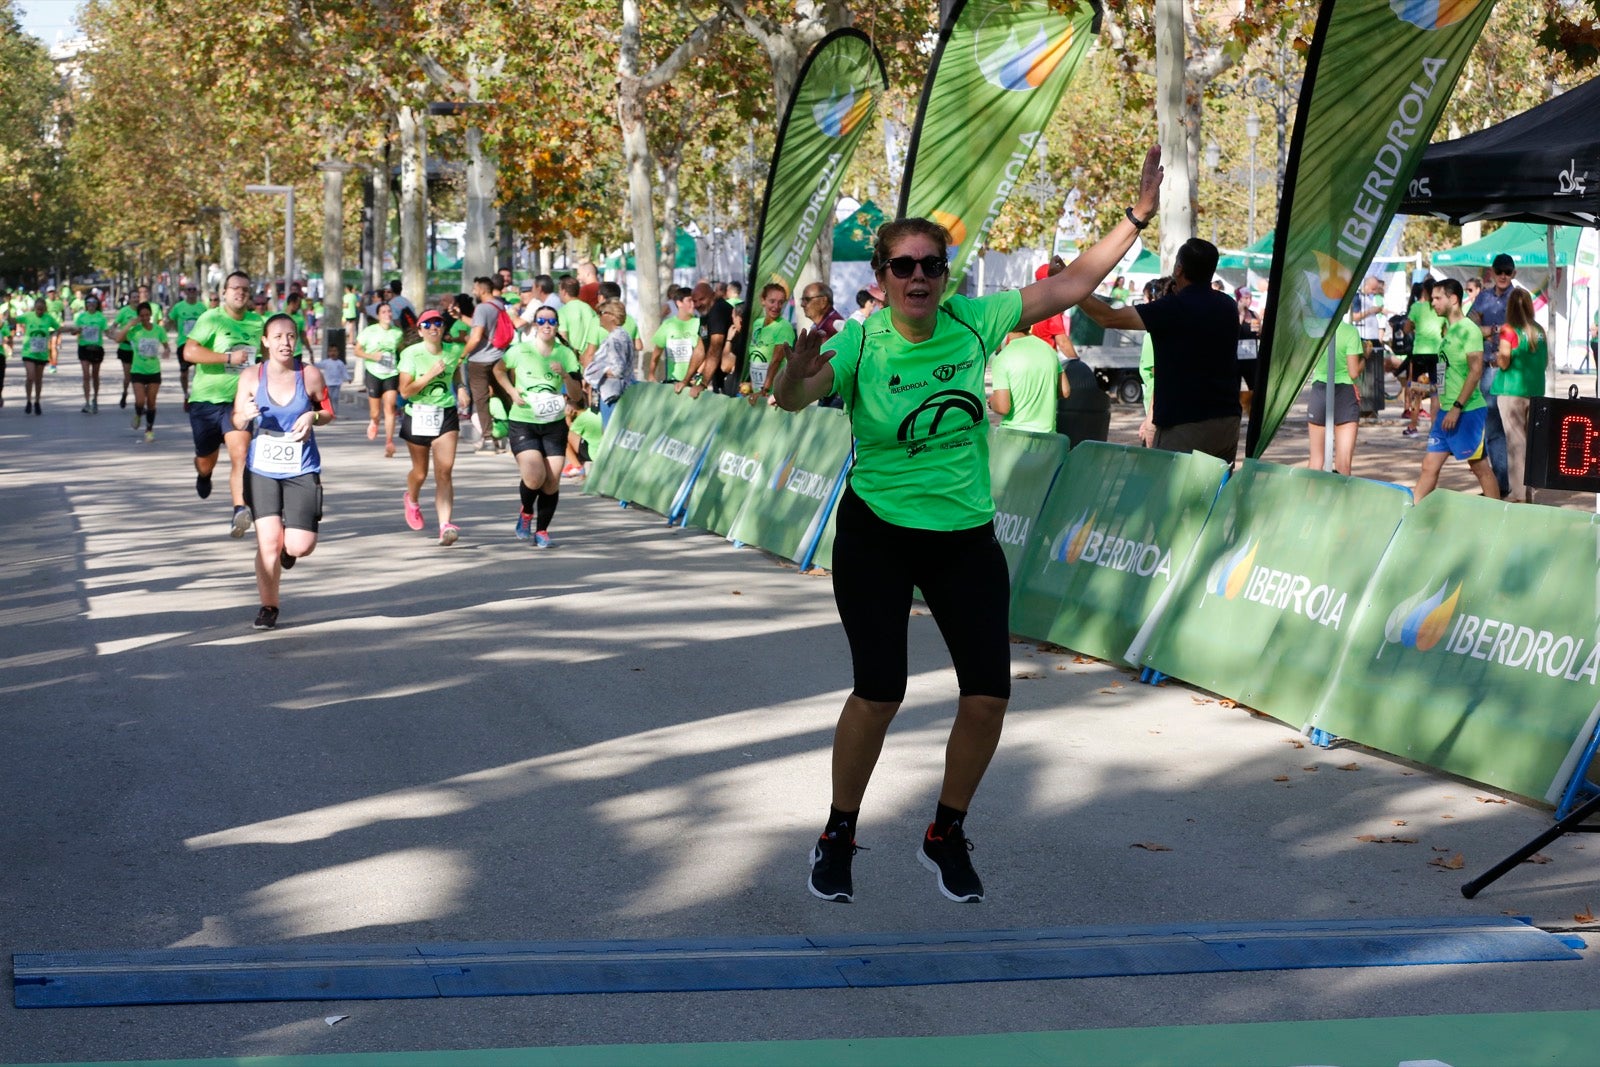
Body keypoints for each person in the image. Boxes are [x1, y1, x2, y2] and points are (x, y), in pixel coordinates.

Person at [775, 146, 1163, 905]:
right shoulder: (859, 342)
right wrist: (794, 367)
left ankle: (945, 831)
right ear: (880, 279)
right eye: (903, 266)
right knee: (879, 691)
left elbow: (1076, 282)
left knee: (988, 695)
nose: (919, 277)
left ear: (946, 276)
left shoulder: (971, 320)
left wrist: (1137, 216)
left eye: (932, 265)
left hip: (965, 537)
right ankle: (839, 830)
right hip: (877, 532)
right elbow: (793, 398)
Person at [1078, 239, 1242, 464]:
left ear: (1178, 269)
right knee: (1214, 496)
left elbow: (1108, 317)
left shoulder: (1172, 308)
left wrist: (1073, 289)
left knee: (1173, 497)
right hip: (1227, 420)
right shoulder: (1228, 306)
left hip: (1185, 423)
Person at [231, 314, 334, 631]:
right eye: (277, 337)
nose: (284, 343)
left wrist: (313, 418)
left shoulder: (310, 375)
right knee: (269, 543)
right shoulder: (251, 376)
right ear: (265, 341)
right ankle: (268, 606)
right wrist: (244, 415)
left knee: (300, 545)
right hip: (262, 468)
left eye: (290, 336)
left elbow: (328, 411)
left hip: (301, 467)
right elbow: (236, 419)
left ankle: (289, 552)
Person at [184, 270, 267, 537]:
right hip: (206, 401)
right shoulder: (211, 318)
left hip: (239, 403)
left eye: (245, 289)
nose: (240, 293)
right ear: (224, 293)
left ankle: (240, 510)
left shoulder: (257, 323)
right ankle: (204, 475)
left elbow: (266, 359)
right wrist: (228, 358)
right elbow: (189, 352)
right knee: (206, 459)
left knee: (240, 456)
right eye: (235, 288)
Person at [495, 307, 582, 547]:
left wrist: (564, 375)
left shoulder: (565, 354)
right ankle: (525, 513)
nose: (547, 325)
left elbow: (577, 395)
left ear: (556, 325)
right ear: (535, 325)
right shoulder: (521, 350)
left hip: (553, 424)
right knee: (534, 477)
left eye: (551, 321)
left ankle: (542, 530)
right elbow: (498, 370)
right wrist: (512, 391)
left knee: (551, 481)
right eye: (542, 321)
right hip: (524, 421)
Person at [1415, 279, 1499, 503]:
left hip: (1467, 411)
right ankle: (1411, 515)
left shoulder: (1468, 330)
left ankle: (1498, 519)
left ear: (1453, 300)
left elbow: (1475, 370)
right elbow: (1447, 369)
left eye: (1437, 298)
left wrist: (1457, 407)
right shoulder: (1449, 331)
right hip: (1446, 411)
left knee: (1479, 467)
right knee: (1428, 466)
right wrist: (1435, 390)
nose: (1433, 303)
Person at [398, 308, 468, 545]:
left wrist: (460, 388)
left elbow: (455, 372)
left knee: (444, 471)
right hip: (417, 415)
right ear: (419, 330)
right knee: (420, 472)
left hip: (445, 413)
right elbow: (405, 391)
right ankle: (412, 499)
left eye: (437, 323)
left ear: (443, 328)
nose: (433, 327)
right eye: (427, 325)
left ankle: (445, 525)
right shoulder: (411, 354)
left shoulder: (454, 351)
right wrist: (429, 375)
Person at [1468, 253, 1516, 498]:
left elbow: (1521, 329)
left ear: (1514, 273)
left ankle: (1510, 487)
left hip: (1511, 369)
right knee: (1492, 428)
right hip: (1486, 368)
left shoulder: (1518, 298)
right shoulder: (1484, 297)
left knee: (1513, 431)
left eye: (1508, 271)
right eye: (1500, 271)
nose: (1503, 276)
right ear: (1493, 272)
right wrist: (1487, 330)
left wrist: (1492, 329)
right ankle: (1500, 486)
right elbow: (1469, 326)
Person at [1495, 287, 1547, 503]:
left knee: (1516, 443)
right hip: (1535, 390)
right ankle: (1528, 492)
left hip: (1511, 391)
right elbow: (1544, 362)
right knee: (1531, 443)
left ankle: (1518, 495)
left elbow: (1505, 360)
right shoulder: (1539, 330)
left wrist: (1497, 358)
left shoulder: (1509, 330)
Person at [463, 276, 518, 454]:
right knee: (506, 395)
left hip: (480, 359)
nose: (473, 291)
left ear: (483, 289)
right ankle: (516, 435)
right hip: (499, 357)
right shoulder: (498, 305)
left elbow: (477, 336)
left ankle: (487, 439)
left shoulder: (481, 308)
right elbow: (482, 327)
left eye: (475, 288)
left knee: (481, 398)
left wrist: (462, 355)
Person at [1307, 318, 1367, 474]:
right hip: (1345, 393)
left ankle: (1308, 497)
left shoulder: (1316, 331)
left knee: (1315, 460)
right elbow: (1353, 372)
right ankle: (1341, 499)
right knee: (1343, 463)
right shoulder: (1350, 332)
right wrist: (1365, 357)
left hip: (1319, 390)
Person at [111, 301, 170, 441]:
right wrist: (130, 324)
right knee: (139, 401)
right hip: (138, 370)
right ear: (138, 316)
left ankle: (149, 430)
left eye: (147, 315)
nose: (144, 318)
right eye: (141, 315)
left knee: (151, 402)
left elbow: (166, 345)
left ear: (151, 315)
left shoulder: (158, 330)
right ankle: (138, 413)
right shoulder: (134, 330)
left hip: (154, 371)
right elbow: (118, 339)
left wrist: (167, 351)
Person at [989, 331, 1062, 434]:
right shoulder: (1048, 349)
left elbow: (1002, 407)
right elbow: (1065, 390)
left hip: (1013, 438)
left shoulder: (1002, 358)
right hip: (1048, 438)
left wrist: (993, 402)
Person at [355, 301, 404, 457]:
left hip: (391, 373)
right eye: (383, 312)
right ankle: (374, 421)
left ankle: (389, 442)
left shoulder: (397, 333)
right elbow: (357, 351)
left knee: (390, 408)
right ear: (378, 316)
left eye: (389, 311)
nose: (387, 314)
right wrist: (372, 356)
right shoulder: (369, 332)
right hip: (374, 373)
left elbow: (401, 351)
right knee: (375, 412)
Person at [1401, 279, 1443, 438]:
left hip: (1419, 353)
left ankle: (1412, 425)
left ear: (1423, 290)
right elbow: (1445, 331)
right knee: (1437, 392)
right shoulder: (1440, 308)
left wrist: (1414, 328)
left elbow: (1406, 328)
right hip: (1438, 354)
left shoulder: (1416, 307)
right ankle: (1435, 429)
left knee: (1417, 390)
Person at [584, 300, 635, 425]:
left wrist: (597, 372)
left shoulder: (614, 339)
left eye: (601, 313)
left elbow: (618, 369)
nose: (599, 317)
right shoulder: (624, 335)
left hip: (613, 394)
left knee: (609, 432)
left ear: (611, 316)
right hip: (624, 392)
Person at [745, 283, 795, 401]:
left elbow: (776, 361)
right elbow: (754, 357)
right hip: (758, 391)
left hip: (775, 394)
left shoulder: (784, 327)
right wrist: (752, 385)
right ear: (763, 300)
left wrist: (764, 390)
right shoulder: (757, 323)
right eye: (772, 301)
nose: (776, 306)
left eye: (780, 302)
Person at [17, 296, 61, 414]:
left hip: (41, 354)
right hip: (28, 352)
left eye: (41, 309)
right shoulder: (28, 316)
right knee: (30, 376)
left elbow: (59, 327)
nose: (39, 312)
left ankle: (37, 402)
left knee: (38, 379)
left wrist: (73, 329)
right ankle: (28, 401)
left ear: (45, 309)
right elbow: (15, 320)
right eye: (37, 309)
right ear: (34, 308)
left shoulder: (48, 318)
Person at [167, 284, 207, 408]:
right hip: (183, 344)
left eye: (194, 289)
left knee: (199, 372)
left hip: (199, 343)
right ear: (185, 292)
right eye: (189, 290)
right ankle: (185, 394)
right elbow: (170, 319)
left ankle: (195, 396)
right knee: (184, 373)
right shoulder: (178, 307)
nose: (191, 292)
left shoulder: (202, 307)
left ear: (197, 291)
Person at [113, 284, 150, 409]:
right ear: (129, 299)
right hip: (126, 348)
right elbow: (113, 326)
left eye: (137, 297)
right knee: (128, 377)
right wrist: (114, 336)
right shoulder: (124, 311)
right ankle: (125, 392)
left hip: (140, 350)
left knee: (140, 377)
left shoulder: (143, 311)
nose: (135, 299)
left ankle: (139, 403)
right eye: (133, 297)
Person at [652, 286, 700, 383]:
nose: (693, 304)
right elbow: (657, 352)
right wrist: (651, 374)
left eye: (694, 301)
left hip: (694, 383)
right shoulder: (667, 324)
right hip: (673, 381)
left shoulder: (700, 323)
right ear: (679, 303)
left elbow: (706, 354)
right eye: (689, 301)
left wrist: (698, 375)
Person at [70, 295, 109, 412]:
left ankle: (95, 399)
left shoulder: (101, 318)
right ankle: (87, 402)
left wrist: (117, 336)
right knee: (86, 375)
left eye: (93, 302)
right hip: (84, 348)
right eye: (88, 302)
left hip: (97, 349)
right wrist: (76, 330)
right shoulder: (81, 317)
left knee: (95, 375)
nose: (91, 304)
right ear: (86, 304)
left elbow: (107, 332)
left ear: (97, 304)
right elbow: (74, 331)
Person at [555, 276, 602, 364]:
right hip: (590, 361)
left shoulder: (562, 312)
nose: (559, 293)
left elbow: (563, 338)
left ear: (564, 292)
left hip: (572, 362)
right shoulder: (590, 309)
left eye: (559, 290)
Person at [564, 400, 603, 480]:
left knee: (563, 437)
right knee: (584, 439)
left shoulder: (580, 420)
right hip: (602, 450)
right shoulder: (592, 412)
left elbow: (566, 431)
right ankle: (578, 467)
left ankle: (577, 467)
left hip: (594, 455)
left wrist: (568, 418)